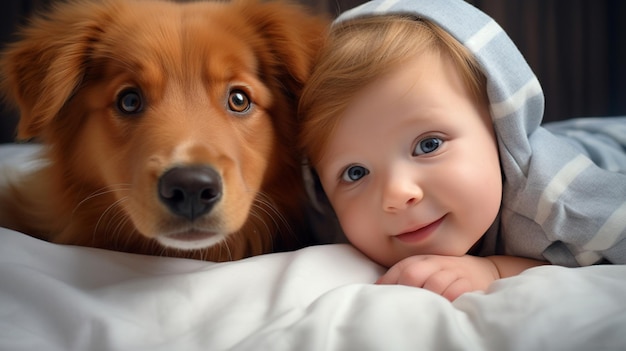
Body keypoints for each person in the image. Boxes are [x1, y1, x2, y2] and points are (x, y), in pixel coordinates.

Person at [299, 0, 626, 301]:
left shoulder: (559, 199)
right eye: (355, 173)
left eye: (428, 145)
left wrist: (497, 269)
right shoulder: (331, 233)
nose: (397, 193)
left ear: (500, 127)